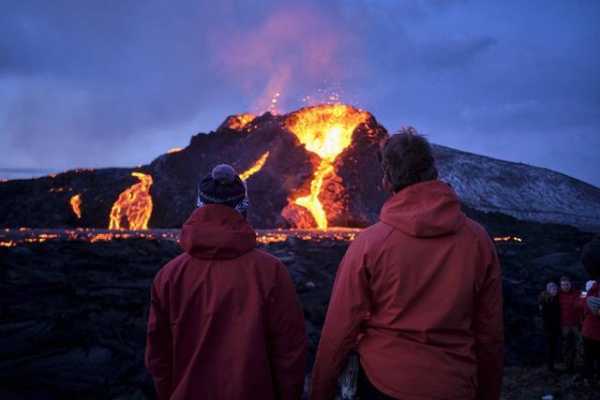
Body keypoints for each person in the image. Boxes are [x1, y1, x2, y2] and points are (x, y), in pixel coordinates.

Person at [310, 128, 504, 400]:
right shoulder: (478, 240)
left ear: (387, 180)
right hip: (454, 383)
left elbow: (339, 329)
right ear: (433, 171)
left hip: (384, 384)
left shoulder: (370, 244)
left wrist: (321, 391)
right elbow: (490, 333)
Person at [145, 164, 307, 400]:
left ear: (199, 207)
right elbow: (289, 353)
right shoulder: (270, 272)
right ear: (242, 209)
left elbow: (158, 356)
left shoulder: (169, 275)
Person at [581, 235, 600, 383]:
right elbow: (579, 300)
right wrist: (586, 302)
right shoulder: (592, 286)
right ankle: (588, 378)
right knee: (589, 357)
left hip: (591, 330)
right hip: (590, 331)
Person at [558, 275, 581, 372]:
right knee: (566, 345)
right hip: (564, 325)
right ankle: (568, 366)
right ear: (560, 285)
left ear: (570, 284)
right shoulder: (557, 295)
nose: (565, 286)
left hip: (576, 324)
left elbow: (584, 301)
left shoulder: (577, 293)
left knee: (578, 345)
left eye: (567, 284)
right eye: (563, 285)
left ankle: (578, 365)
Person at [539, 282, 561, 372]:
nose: (554, 291)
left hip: (555, 326)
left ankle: (552, 365)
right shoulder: (545, 299)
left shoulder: (555, 298)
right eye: (552, 289)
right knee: (550, 347)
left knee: (553, 346)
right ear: (548, 290)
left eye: (555, 289)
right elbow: (544, 315)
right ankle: (550, 366)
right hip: (549, 327)